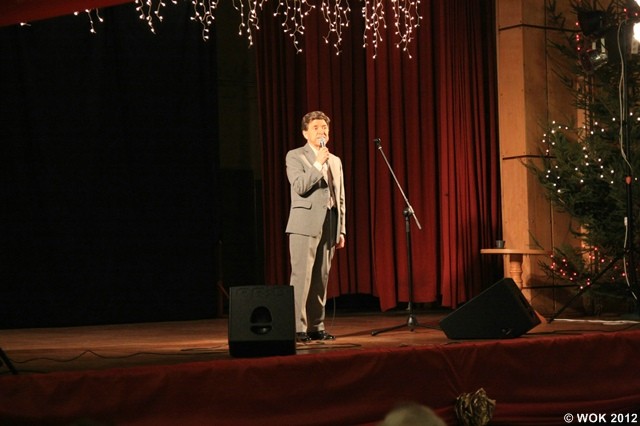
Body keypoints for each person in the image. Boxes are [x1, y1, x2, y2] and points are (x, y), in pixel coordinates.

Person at [285, 111, 346, 343]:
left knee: (321, 277)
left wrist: (341, 229)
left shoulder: (335, 160)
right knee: (302, 277)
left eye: (325, 128)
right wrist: (318, 162)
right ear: (305, 133)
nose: (322, 131)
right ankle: (297, 327)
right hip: (304, 224)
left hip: (329, 223)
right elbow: (300, 186)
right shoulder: (295, 156)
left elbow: (340, 197)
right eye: (316, 127)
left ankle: (316, 326)